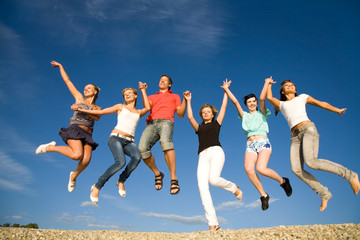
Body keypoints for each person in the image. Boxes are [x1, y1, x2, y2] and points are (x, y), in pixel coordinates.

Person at [266, 77, 360, 211]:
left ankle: (350, 175)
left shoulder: (302, 97)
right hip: (295, 136)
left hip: (308, 129)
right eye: (286, 86)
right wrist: (268, 84)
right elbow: (269, 97)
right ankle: (324, 193)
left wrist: (337, 110)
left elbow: (321, 103)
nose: (290, 86)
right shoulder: (282, 104)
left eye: (292, 85)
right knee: (296, 169)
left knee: (311, 162)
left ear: (295, 89)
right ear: (282, 91)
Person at [71, 82, 150, 204]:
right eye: (125, 94)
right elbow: (101, 113)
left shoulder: (138, 112)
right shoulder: (120, 107)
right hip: (116, 138)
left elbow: (148, 108)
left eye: (129, 93)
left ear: (135, 96)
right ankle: (97, 186)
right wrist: (81, 109)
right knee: (120, 162)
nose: (127, 95)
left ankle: (121, 181)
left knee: (137, 157)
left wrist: (143, 90)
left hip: (129, 141)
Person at [222, 79, 292, 210]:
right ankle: (264, 195)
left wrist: (266, 83)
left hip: (263, 142)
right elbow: (235, 102)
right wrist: (226, 89)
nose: (252, 103)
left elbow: (262, 98)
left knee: (261, 168)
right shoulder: (244, 115)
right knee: (248, 169)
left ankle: (283, 181)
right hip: (250, 145)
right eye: (249, 102)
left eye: (253, 101)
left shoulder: (262, 113)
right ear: (246, 105)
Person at [183, 79, 243, 231]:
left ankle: (233, 187)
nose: (205, 113)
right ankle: (213, 223)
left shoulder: (217, 123)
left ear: (212, 113)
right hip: (202, 155)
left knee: (214, 179)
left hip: (216, 151)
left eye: (208, 111)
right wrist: (188, 101)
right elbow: (190, 117)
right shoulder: (198, 127)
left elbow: (224, 106)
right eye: (203, 112)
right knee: (202, 188)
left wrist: (225, 91)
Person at [36, 61, 101, 192]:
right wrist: (61, 66)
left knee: (86, 159)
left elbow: (97, 117)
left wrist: (80, 109)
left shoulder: (98, 108)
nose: (85, 89)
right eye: (85, 88)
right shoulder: (79, 98)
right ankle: (50, 147)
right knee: (77, 155)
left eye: (89, 88)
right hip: (75, 129)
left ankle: (73, 176)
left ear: (95, 92)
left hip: (88, 134)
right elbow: (68, 81)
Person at [138, 75, 186, 195]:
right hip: (151, 123)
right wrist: (143, 90)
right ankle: (158, 173)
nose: (162, 81)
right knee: (142, 149)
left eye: (164, 80)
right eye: (160, 80)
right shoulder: (152, 96)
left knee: (166, 143)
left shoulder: (174, 96)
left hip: (166, 122)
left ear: (169, 84)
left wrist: (185, 99)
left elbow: (180, 113)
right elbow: (146, 107)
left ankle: (173, 178)